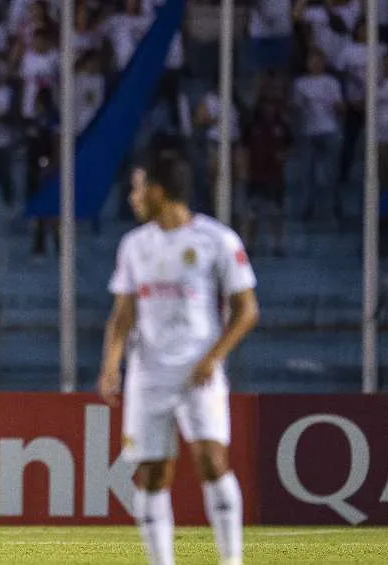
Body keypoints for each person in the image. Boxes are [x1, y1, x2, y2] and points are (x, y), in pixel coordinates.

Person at [97, 154, 259, 565]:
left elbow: (247, 310)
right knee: (152, 473)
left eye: (137, 188)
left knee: (211, 460)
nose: (132, 197)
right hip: (148, 375)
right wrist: (111, 365)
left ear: (157, 190)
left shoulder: (216, 240)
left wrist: (213, 358)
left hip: (198, 372)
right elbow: (122, 315)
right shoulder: (134, 245)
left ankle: (232, 560)